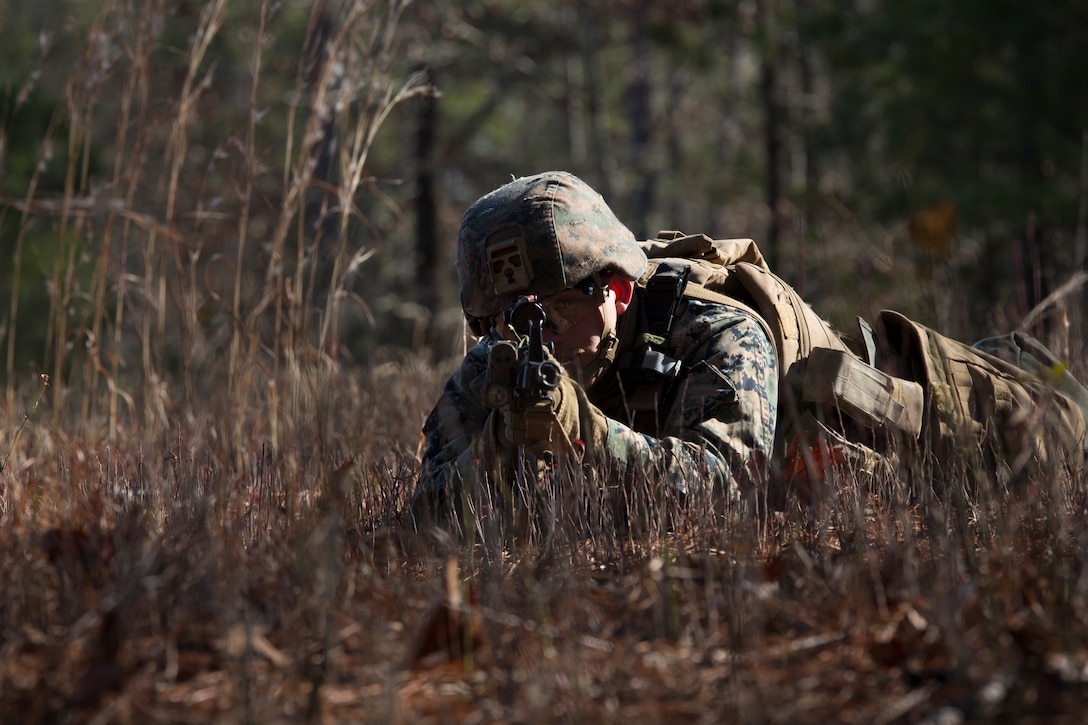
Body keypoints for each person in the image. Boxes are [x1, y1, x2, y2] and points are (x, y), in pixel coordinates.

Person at [411, 171, 778, 527]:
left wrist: (588, 431)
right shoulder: (501, 356)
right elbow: (423, 513)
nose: (543, 338)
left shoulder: (718, 333)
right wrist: (494, 450)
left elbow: (728, 493)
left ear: (617, 291)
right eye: (512, 319)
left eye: (562, 306)